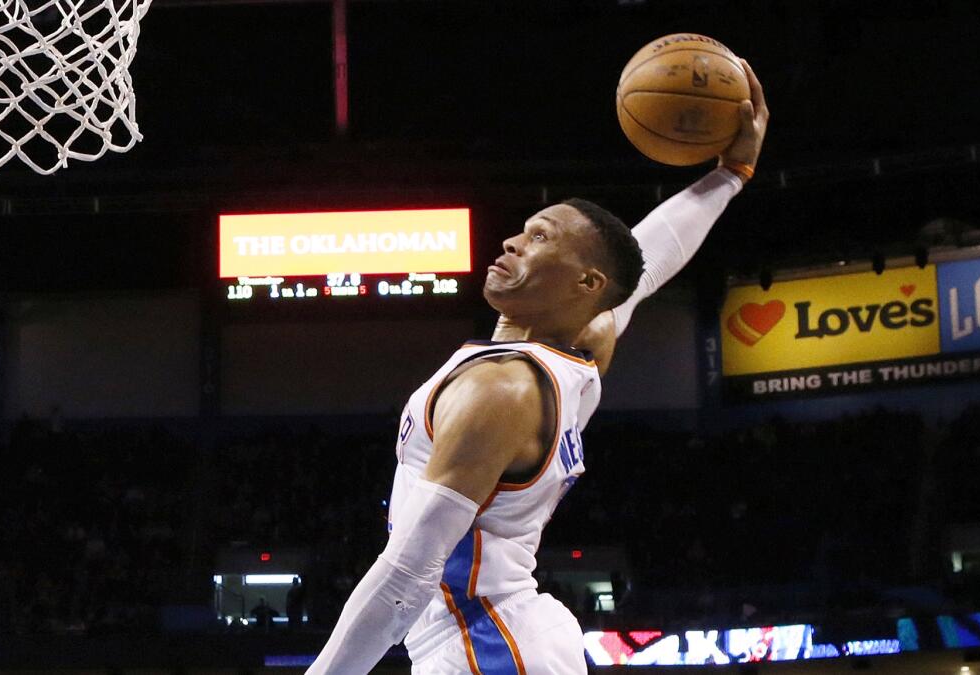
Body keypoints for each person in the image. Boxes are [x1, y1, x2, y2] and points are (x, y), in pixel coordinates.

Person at [309, 60, 769, 674]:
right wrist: (732, 175)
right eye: (521, 232)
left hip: (484, 645)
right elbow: (649, 260)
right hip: (502, 638)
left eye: (540, 238)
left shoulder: (502, 390)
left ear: (585, 282)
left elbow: (409, 572)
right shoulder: (578, 351)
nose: (511, 243)